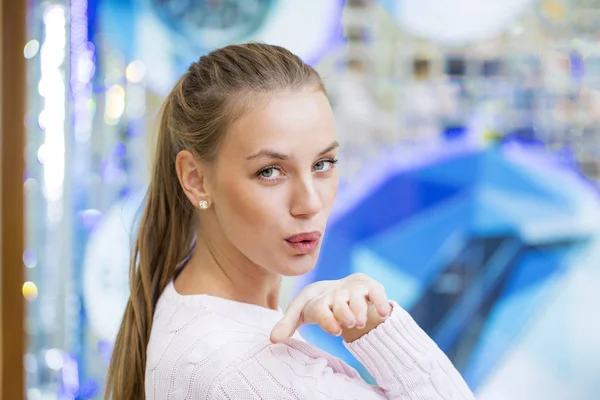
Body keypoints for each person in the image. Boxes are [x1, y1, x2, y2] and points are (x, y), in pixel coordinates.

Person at [105, 43, 475, 400]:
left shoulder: (196, 308)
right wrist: (377, 325)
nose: (309, 203)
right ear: (195, 178)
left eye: (322, 164)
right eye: (270, 171)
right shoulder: (246, 372)